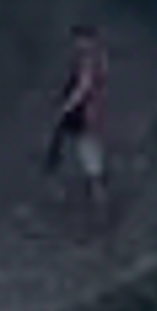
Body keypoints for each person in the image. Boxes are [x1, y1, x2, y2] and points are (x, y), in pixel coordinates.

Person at [44, 22, 110, 212]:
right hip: (87, 110)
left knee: (81, 144)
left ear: (89, 39)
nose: (78, 43)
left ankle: (95, 192)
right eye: (77, 39)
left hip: (84, 111)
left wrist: (66, 107)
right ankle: (95, 190)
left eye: (81, 39)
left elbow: (84, 86)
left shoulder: (90, 59)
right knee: (84, 146)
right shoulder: (96, 58)